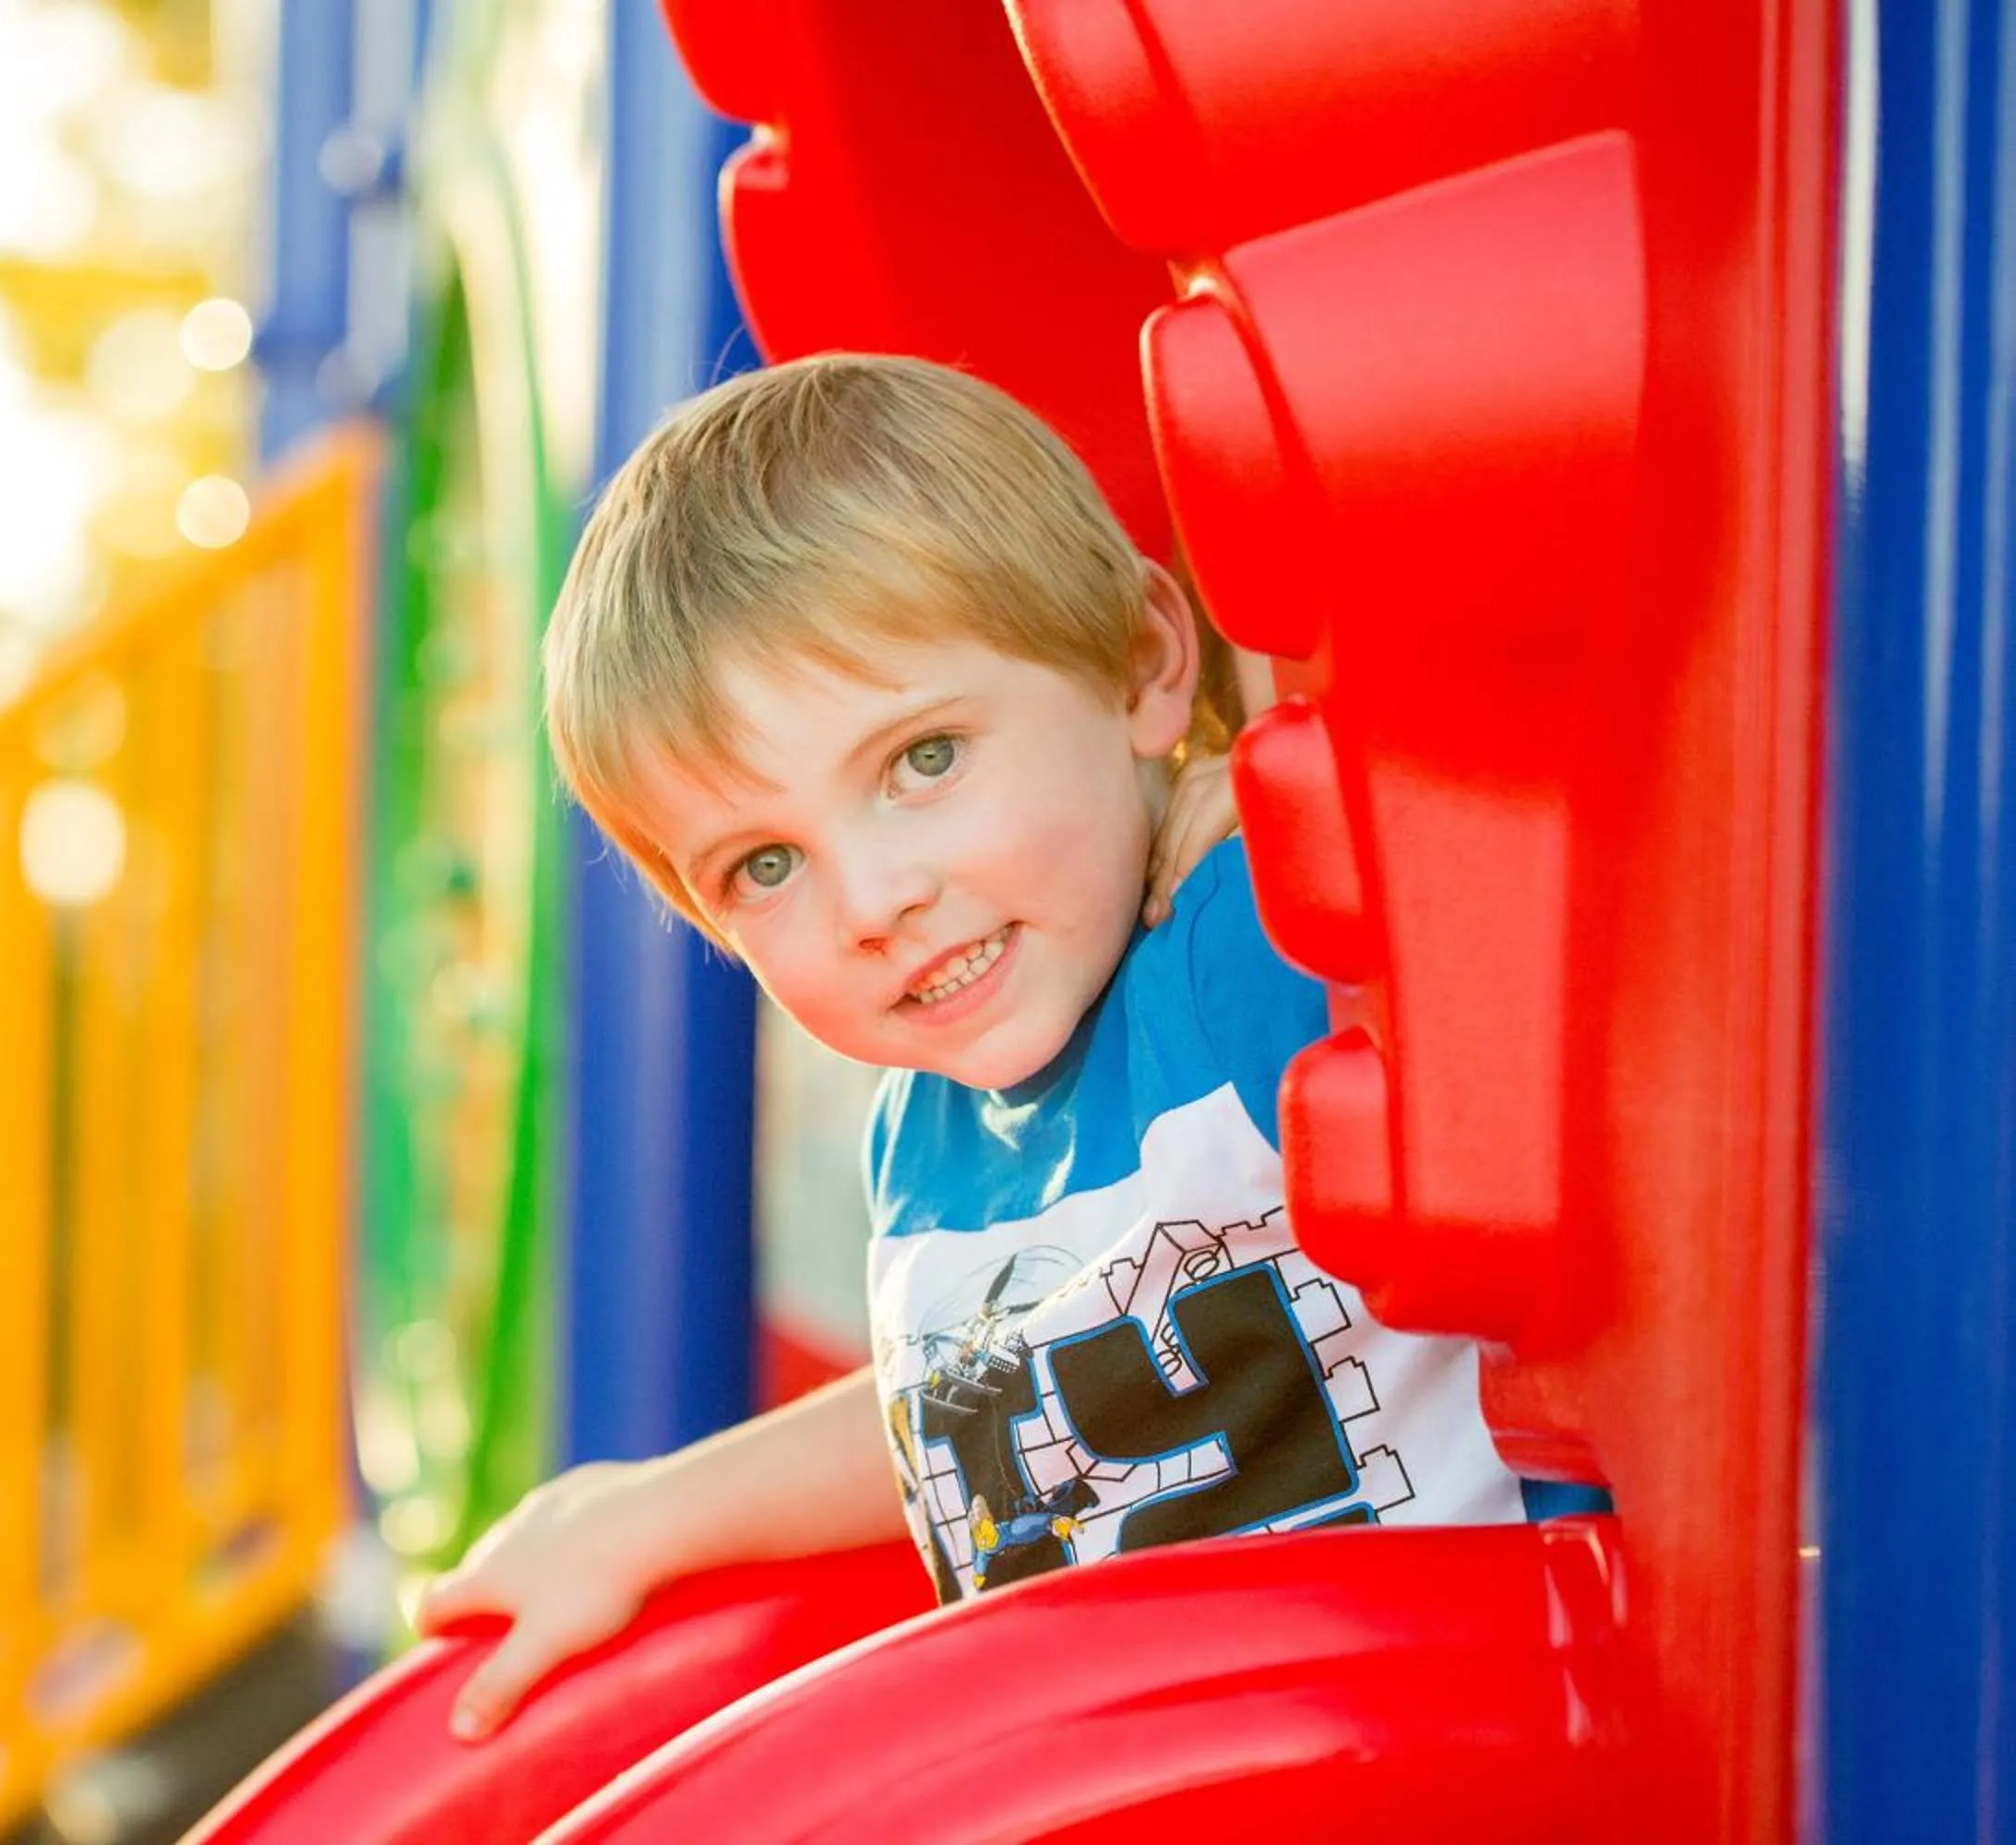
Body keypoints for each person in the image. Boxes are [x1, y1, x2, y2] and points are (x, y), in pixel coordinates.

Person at [414, 352, 1550, 1742]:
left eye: (925, 760)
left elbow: (1449, 698)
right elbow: (966, 1407)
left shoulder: (1249, 957)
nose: (874, 904)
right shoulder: (925, 1132)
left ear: (1142, 662)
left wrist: (1252, 798)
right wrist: (651, 1515)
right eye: (765, 865)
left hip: (1450, 1757)